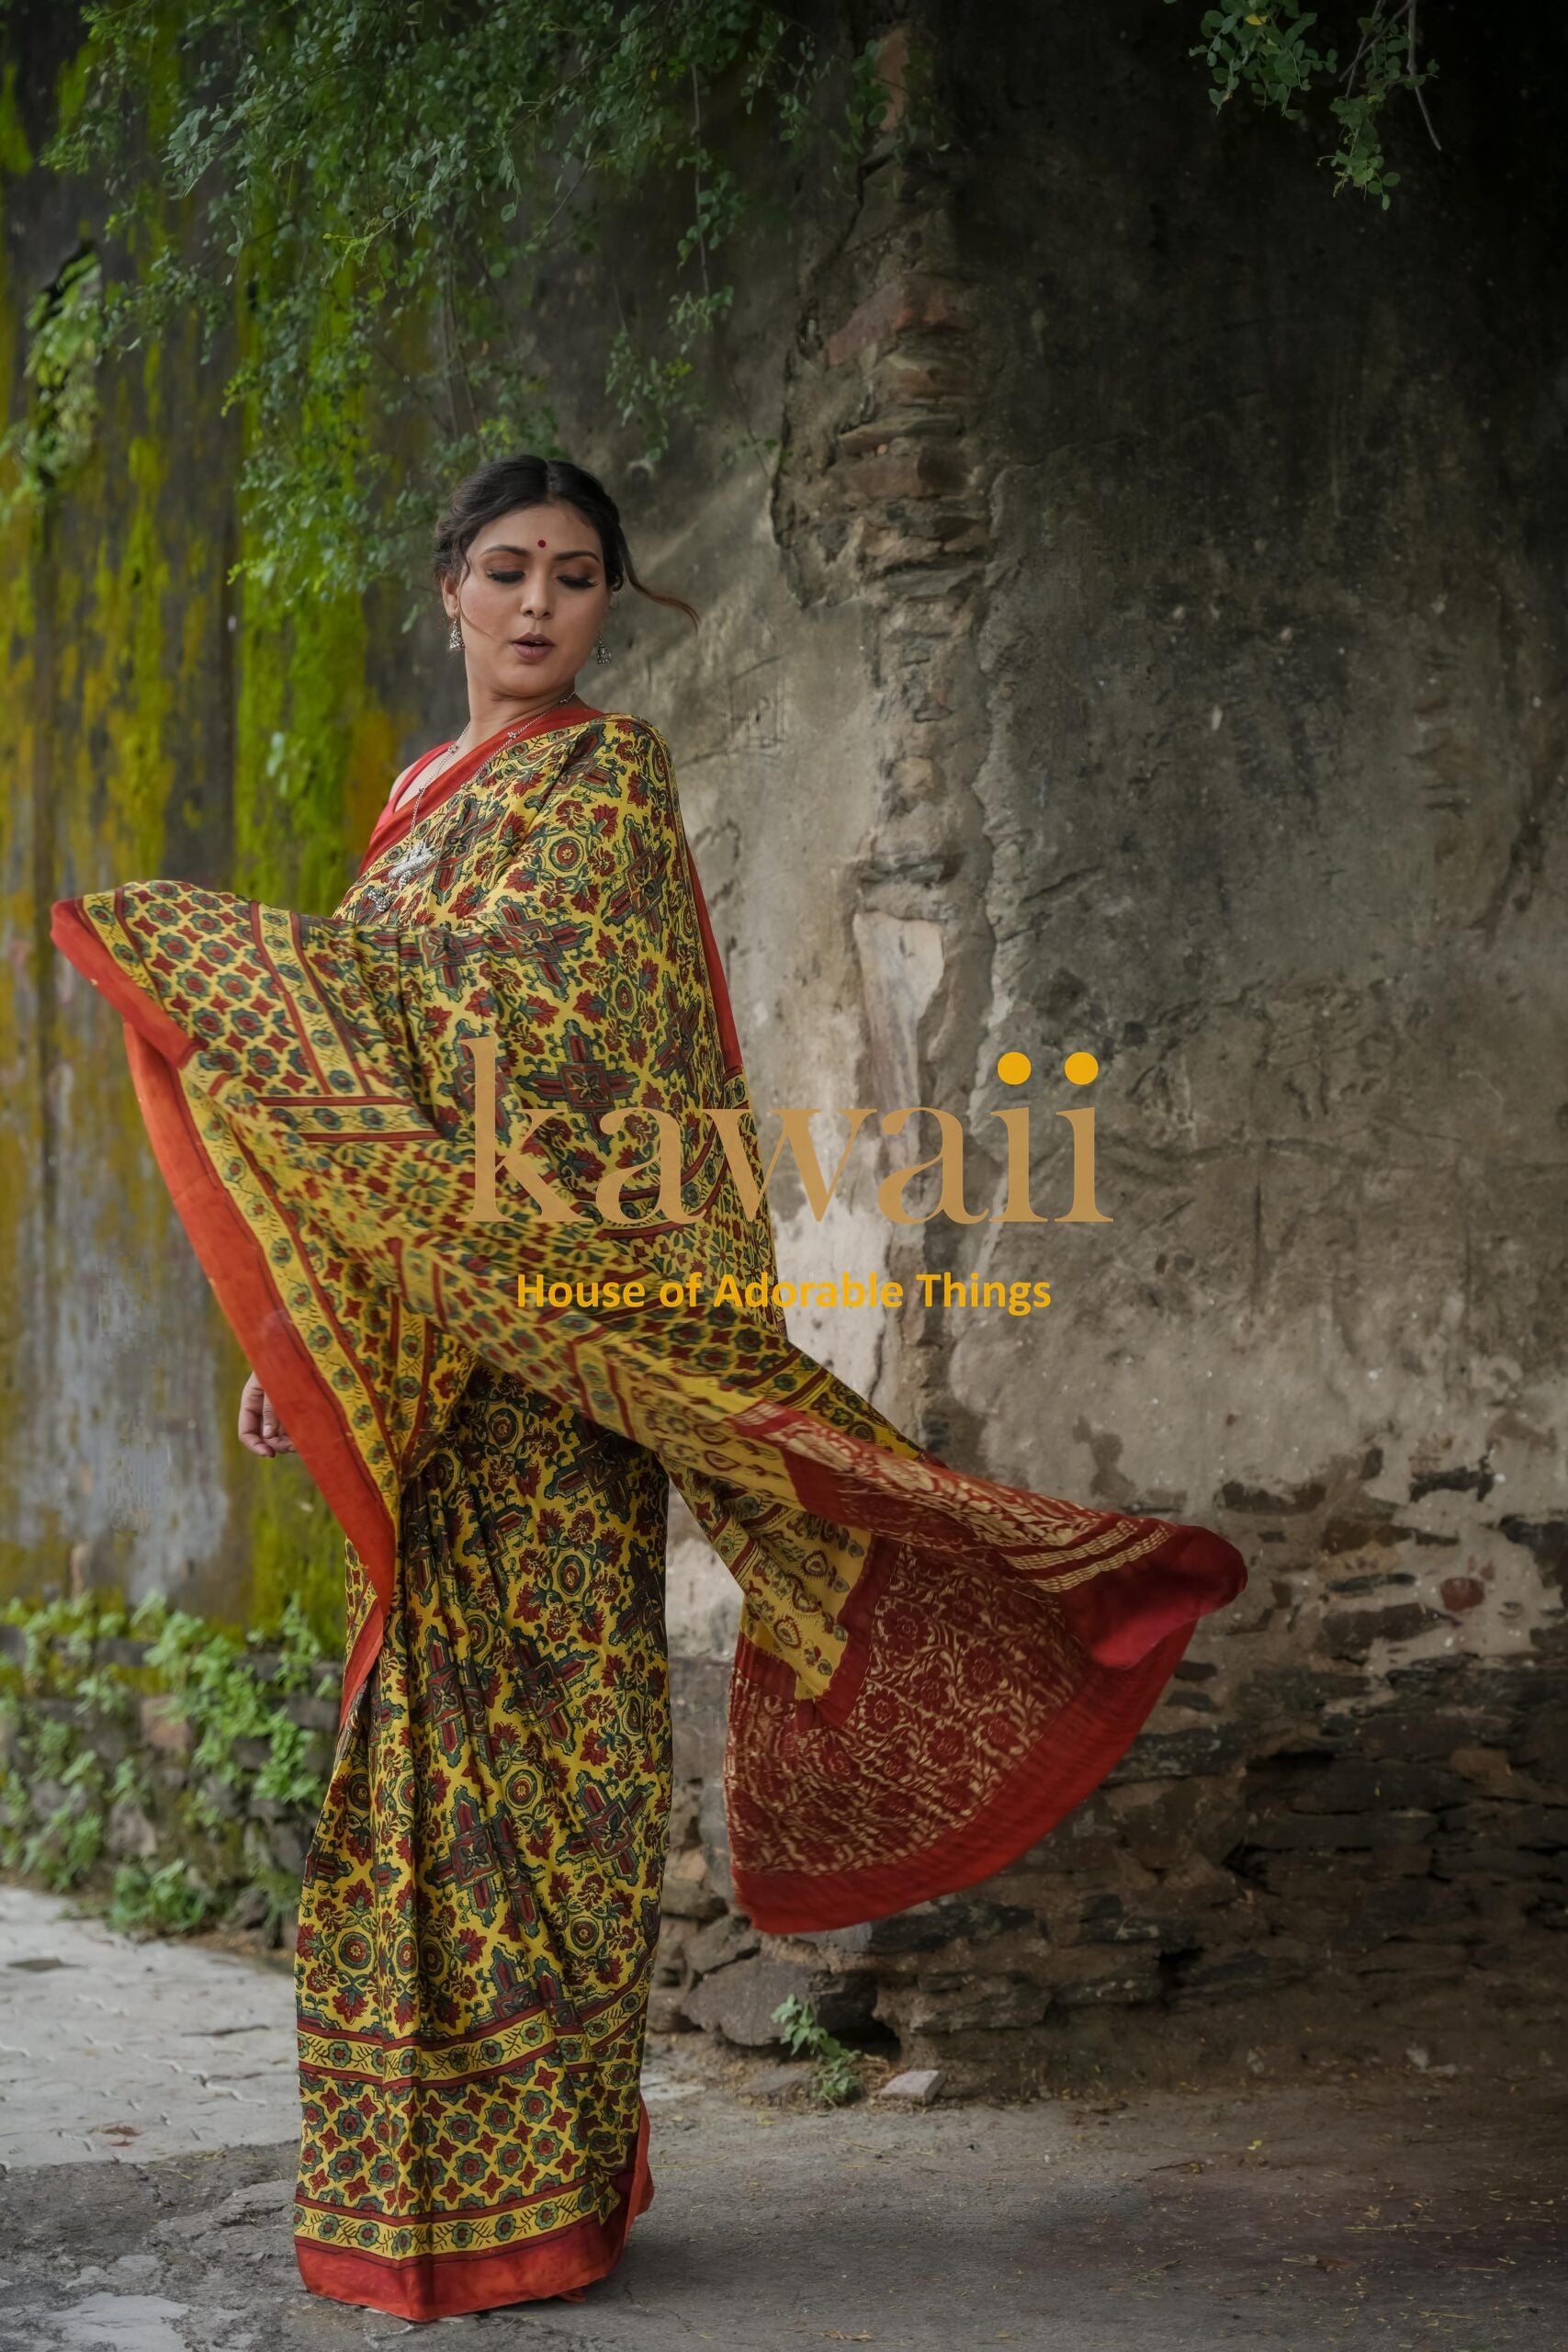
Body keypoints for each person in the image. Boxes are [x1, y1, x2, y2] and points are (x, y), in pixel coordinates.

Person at [51, 453, 1247, 2323]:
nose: (541, 605)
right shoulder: (406, 814)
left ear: (609, 606)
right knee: (419, 1770)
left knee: (557, 1773)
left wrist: (251, 980)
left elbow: (555, 1076)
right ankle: (423, 2194)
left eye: (578, 577)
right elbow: (368, 1133)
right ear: (446, 589)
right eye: (509, 570)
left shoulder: (604, 788)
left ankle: (548, 2201)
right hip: (440, 1384)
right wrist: (304, 1350)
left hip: (569, 1380)